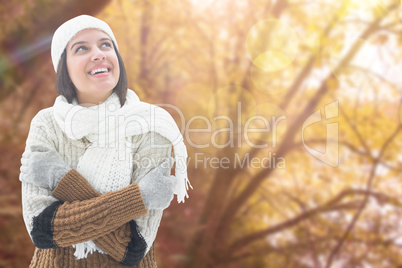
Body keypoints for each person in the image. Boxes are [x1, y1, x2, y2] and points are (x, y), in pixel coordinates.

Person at [19, 15, 191, 267]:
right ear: (63, 67)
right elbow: (42, 230)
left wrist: (59, 179)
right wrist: (139, 197)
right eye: (81, 48)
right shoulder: (46, 124)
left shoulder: (152, 126)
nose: (98, 53)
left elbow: (133, 246)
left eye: (105, 45)